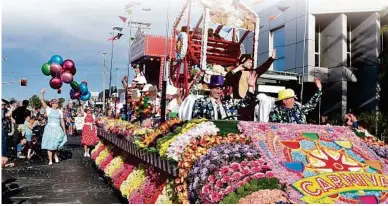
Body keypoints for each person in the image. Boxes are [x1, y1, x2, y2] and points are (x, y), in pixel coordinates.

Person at [192, 75, 257, 120]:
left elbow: (245, 102)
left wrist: (250, 87)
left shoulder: (228, 101)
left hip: (228, 133)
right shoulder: (200, 102)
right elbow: (196, 120)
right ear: (210, 88)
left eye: (221, 89)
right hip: (210, 134)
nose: (219, 91)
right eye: (217, 88)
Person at [40, 88, 67, 165]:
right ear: (52, 104)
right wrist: (42, 93)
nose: (57, 104)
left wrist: (64, 130)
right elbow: (42, 101)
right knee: (49, 145)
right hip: (49, 128)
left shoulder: (59, 111)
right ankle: (50, 160)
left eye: (57, 103)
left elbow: (62, 121)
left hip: (57, 128)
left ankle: (55, 155)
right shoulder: (48, 109)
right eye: (55, 103)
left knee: (56, 144)